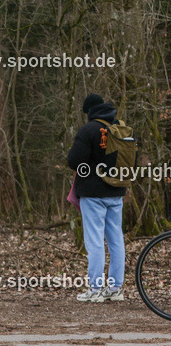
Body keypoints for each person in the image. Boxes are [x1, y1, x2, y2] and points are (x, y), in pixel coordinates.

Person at [67, 93, 126, 302]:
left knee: (95, 241)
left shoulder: (88, 130)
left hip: (93, 194)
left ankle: (95, 289)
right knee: (116, 239)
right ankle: (116, 288)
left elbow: (73, 160)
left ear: (88, 112)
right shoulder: (120, 128)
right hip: (117, 192)